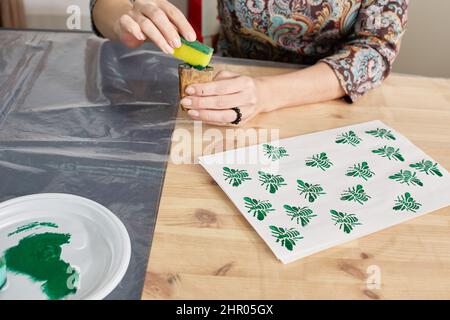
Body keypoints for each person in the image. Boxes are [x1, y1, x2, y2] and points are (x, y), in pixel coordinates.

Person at [90, 0, 408, 126]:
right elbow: (106, 4)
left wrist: (266, 94)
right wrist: (124, 20)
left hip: (327, 103)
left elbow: (376, 49)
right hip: (225, 86)